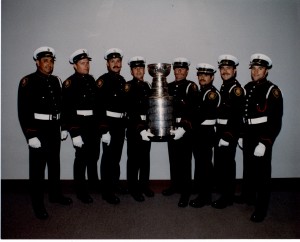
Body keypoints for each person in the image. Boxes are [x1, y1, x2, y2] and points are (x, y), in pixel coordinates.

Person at [18, 46, 72, 220]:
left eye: (51, 61)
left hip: (54, 129)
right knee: (37, 171)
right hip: (38, 131)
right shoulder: (28, 81)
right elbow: (23, 110)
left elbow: (62, 106)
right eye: (46, 61)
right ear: (37, 62)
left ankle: (55, 195)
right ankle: (37, 204)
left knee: (54, 165)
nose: (49, 64)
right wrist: (30, 135)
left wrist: (63, 127)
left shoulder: (56, 81)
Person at [238, 53, 283, 222]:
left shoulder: (273, 90)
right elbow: (244, 114)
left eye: (260, 69)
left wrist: (265, 142)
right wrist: (242, 135)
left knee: (263, 174)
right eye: (254, 68)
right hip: (248, 133)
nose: (256, 72)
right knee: (248, 168)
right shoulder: (248, 87)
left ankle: (261, 208)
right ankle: (248, 197)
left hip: (262, 135)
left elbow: (275, 120)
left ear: (266, 71)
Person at [61, 49, 100, 204]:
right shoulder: (70, 83)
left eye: (88, 63)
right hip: (80, 125)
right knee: (81, 158)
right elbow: (66, 109)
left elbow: (97, 105)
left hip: (93, 124)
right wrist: (74, 132)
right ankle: (81, 190)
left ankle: (93, 184)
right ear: (75, 65)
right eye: (83, 63)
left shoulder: (91, 80)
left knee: (94, 156)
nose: (86, 66)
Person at [163, 57, 198, 208]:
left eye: (182, 69)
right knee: (173, 158)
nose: (179, 71)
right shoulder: (168, 86)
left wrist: (183, 128)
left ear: (187, 71)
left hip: (185, 129)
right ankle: (175, 185)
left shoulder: (191, 87)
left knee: (185, 161)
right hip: (172, 127)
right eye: (176, 69)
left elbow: (193, 109)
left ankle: (186, 191)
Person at [211, 54, 245, 209]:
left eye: (228, 68)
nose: (225, 71)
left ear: (235, 70)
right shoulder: (225, 86)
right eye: (222, 68)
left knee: (227, 165)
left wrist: (227, 136)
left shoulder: (236, 89)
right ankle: (224, 192)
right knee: (220, 163)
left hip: (228, 132)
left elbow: (237, 116)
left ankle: (227, 197)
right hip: (221, 130)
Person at [96, 48, 128, 204]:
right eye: (112, 61)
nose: (116, 64)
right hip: (108, 124)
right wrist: (103, 130)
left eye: (118, 61)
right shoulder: (102, 81)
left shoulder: (122, 81)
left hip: (120, 125)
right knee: (107, 158)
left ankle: (114, 184)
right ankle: (106, 191)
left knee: (116, 158)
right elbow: (99, 107)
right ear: (107, 63)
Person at [189, 63, 221, 208]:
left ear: (212, 77)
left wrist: (185, 124)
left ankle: (205, 197)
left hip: (206, 133)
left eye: (206, 75)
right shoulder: (201, 92)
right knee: (201, 164)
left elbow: (200, 115)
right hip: (198, 133)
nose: (202, 77)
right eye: (200, 75)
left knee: (205, 166)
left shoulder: (212, 94)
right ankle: (202, 191)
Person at [125, 56, 155, 202]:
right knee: (133, 159)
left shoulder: (148, 86)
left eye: (141, 68)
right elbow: (130, 110)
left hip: (147, 127)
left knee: (145, 158)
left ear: (144, 70)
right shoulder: (128, 86)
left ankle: (144, 185)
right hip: (134, 127)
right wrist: (140, 129)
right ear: (131, 71)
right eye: (135, 68)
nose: (138, 71)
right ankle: (133, 188)